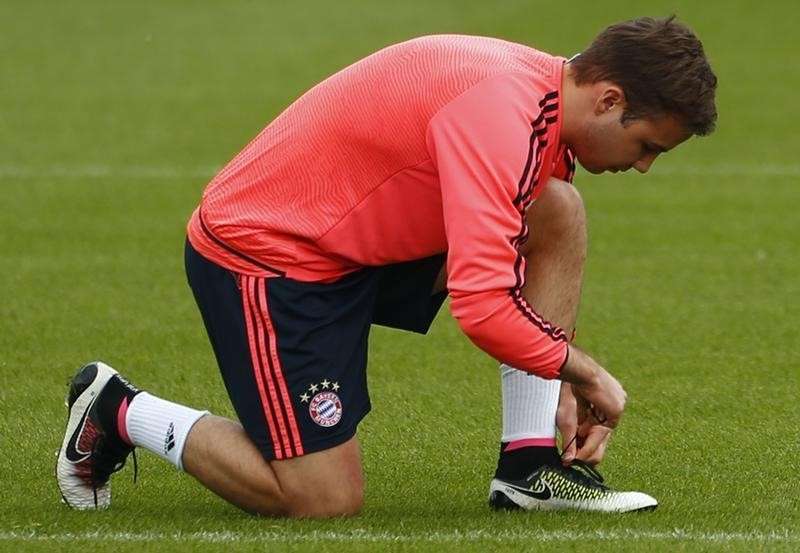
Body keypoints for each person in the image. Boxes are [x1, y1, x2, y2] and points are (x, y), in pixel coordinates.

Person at [56, 16, 716, 516]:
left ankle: (529, 465)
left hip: (353, 242)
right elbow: (483, 306)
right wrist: (584, 371)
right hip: (267, 259)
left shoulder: (537, 98)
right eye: (646, 143)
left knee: (557, 210)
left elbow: (503, 276)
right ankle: (119, 408)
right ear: (607, 98)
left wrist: (555, 364)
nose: (644, 165)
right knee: (323, 499)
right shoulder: (502, 112)